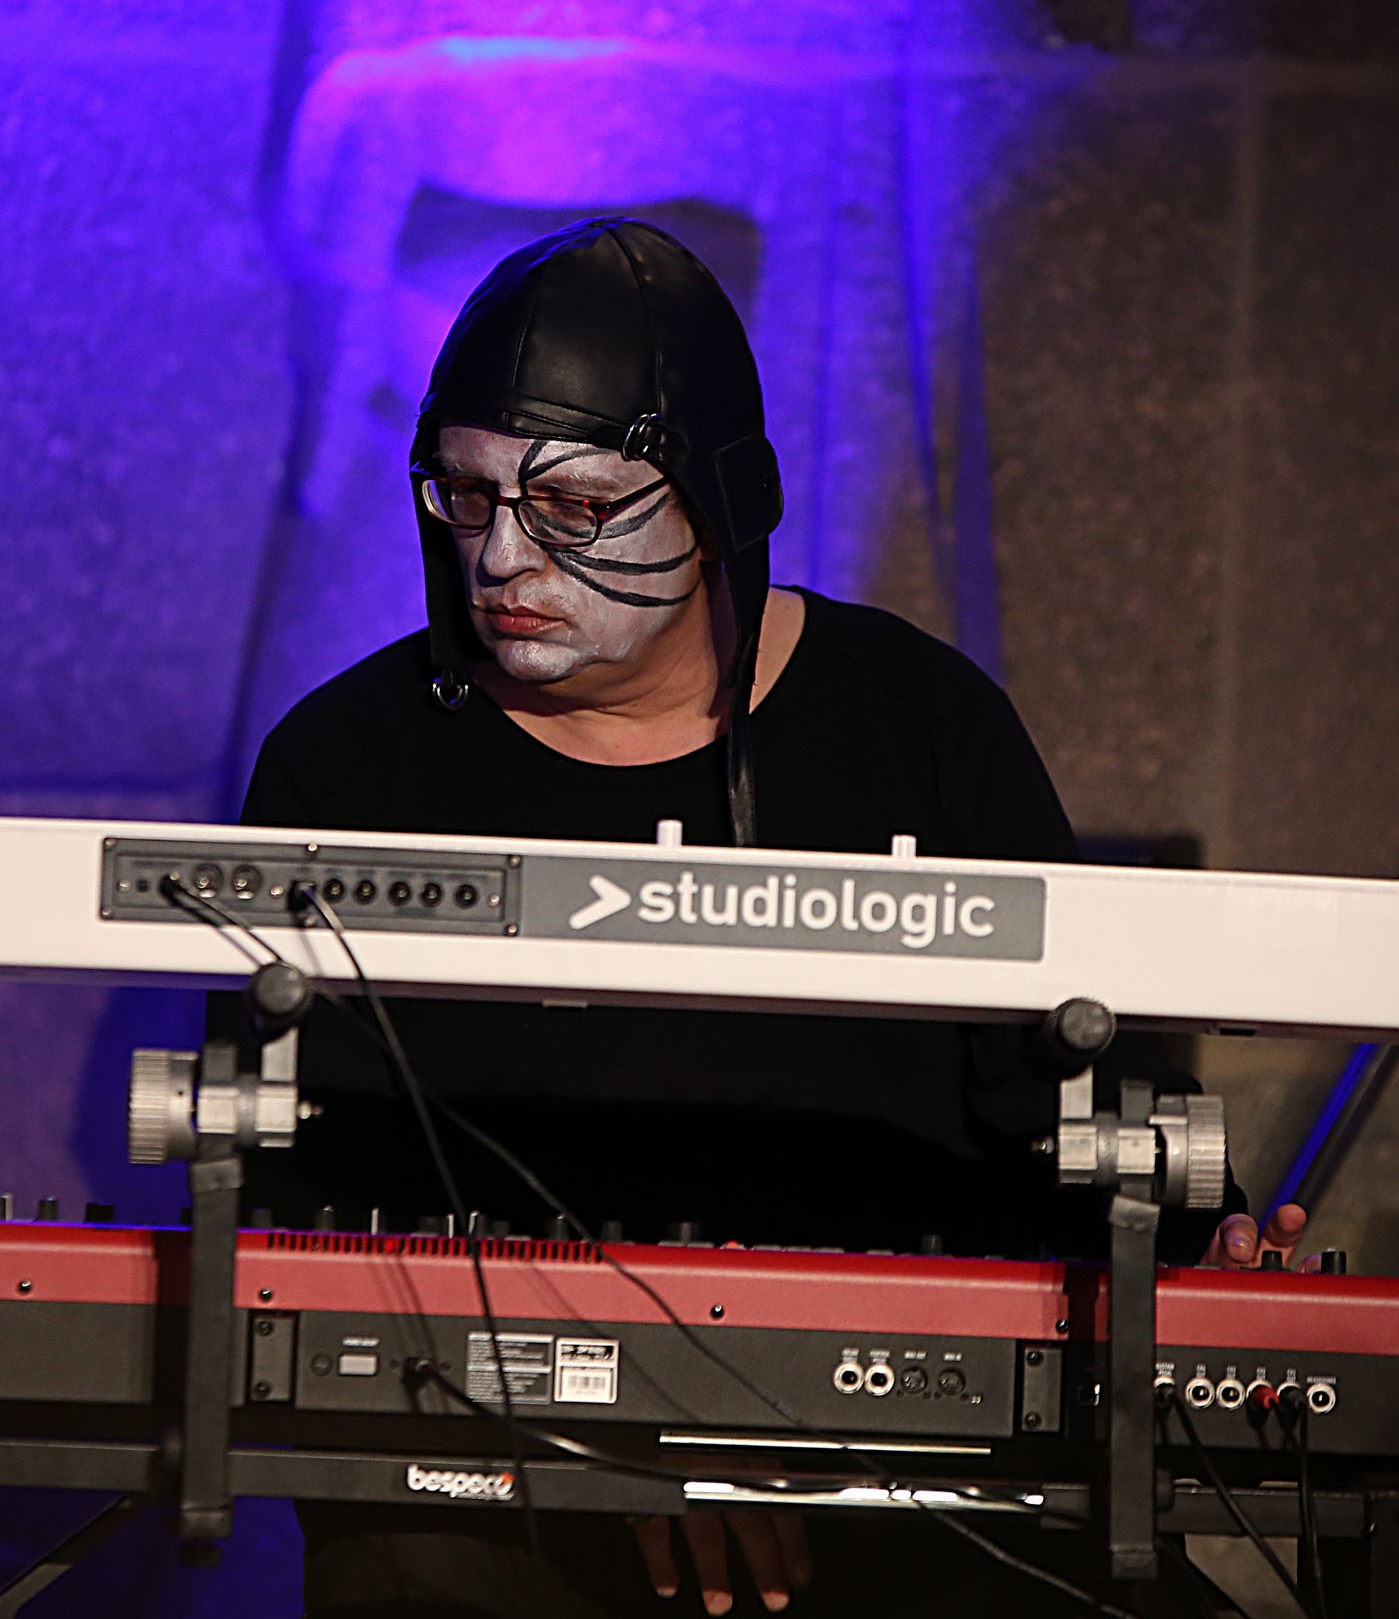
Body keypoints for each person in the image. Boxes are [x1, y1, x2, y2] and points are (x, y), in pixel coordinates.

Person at [232, 219, 1307, 1617]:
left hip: (912, 1464)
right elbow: (305, 1217)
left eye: (572, 507)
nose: (499, 555)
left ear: (718, 497)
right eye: (468, 494)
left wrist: (1207, 1248)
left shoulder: (918, 725)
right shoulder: (347, 767)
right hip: (515, 1473)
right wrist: (626, 1444)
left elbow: (1074, 1099)